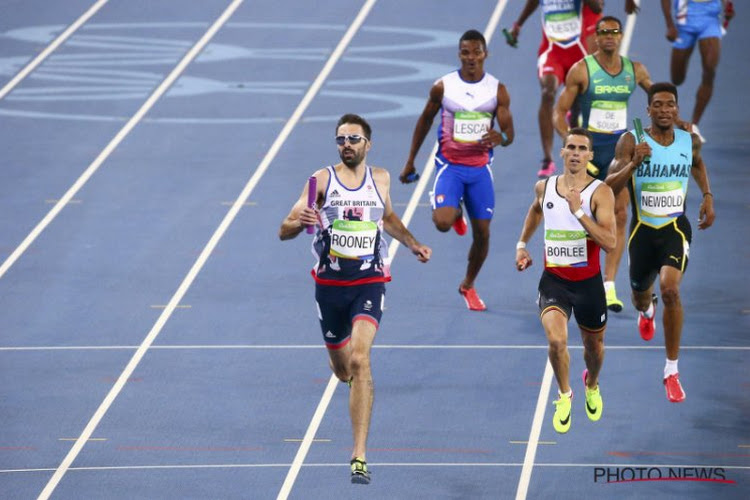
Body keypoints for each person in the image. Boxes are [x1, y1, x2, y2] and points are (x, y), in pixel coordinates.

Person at [279, 113, 432, 483]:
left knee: (361, 360)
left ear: (368, 144)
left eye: (353, 139)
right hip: (329, 289)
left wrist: (412, 243)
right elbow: (284, 229)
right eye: (341, 140)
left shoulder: (379, 178)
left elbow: (388, 217)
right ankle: (352, 383)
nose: (346, 145)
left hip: (369, 282)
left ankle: (358, 454)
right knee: (343, 369)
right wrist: (302, 222)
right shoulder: (320, 181)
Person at [605, 82, 715, 403]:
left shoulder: (688, 139)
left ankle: (671, 370)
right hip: (642, 233)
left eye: (670, 105)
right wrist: (632, 164)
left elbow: (696, 163)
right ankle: (646, 309)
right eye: (658, 105)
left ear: (677, 109)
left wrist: (707, 195)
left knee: (670, 289)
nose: (665, 110)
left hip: (674, 228)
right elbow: (609, 185)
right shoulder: (631, 140)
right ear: (648, 110)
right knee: (641, 295)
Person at [399, 29, 513, 311]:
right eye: (466, 52)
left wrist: (503, 137)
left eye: (476, 52)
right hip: (449, 166)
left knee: (483, 234)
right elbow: (424, 121)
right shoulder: (443, 87)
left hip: (479, 169)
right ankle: (455, 209)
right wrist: (410, 160)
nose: (471, 58)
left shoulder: (496, 90)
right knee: (442, 223)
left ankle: (468, 286)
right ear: (459, 54)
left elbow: (510, 130)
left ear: (485, 54)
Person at [515, 127, 616, 433]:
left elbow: (609, 241)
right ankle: (564, 394)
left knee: (594, 350)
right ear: (562, 152)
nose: (575, 153)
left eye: (581, 148)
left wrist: (579, 213)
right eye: (570, 147)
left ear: (590, 155)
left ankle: (592, 383)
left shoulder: (600, 192)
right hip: (554, 281)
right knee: (557, 340)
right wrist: (522, 245)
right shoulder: (544, 187)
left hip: (588, 285)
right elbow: (535, 212)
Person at [553, 15, 652, 313]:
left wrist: (668, 123)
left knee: (619, 215)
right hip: (590, 150)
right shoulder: (582, 70)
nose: (609, 36)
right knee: (576, 216)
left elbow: (658, 96)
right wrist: (572, 143)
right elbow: (558, 112)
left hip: (619, 150)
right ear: (595, 37)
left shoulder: (634, 70)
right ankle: (564, 278)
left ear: (621, 36)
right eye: (603, 32)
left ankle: (608, 285)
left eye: (614, 32)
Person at [509, 0, 603, 178]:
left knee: (576, 108)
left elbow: (597, 7)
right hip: (552, 51)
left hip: (578, 48)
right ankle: (547, 158)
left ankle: (575, 142)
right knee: (547, 93)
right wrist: (518, 24)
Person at [660, 0, 735, 143]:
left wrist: (728, 7)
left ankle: (693, 125)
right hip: (685, 19)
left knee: (709, 70)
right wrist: (669, 24)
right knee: (677, 78)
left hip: (710, 19)